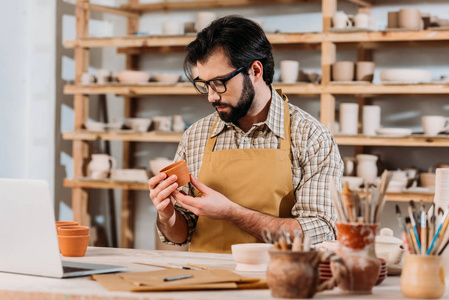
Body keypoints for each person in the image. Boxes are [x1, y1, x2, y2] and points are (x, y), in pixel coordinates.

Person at [148, 15, 343, 253]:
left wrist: (232, 213)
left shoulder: (311, 137)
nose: (211, 96)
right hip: (205, 282)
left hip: (278, 281)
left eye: (219, 82)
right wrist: (167, 215)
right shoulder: (196, 135)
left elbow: (321, 230)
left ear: (255, 70)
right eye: (204, 84)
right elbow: (181, 235)